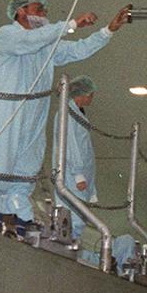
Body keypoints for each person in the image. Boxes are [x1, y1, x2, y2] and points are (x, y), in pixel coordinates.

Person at [0, 0, 129, 234]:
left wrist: (108, 30)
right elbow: (32, 41)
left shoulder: (46, 47)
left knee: (24, 174)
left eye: (46, 10)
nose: (44, 14)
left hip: (32, 118)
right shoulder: (7, 35)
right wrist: (73, 24)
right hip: (2, 114)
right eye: (39, 9)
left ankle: (21, 223)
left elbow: (78, 50)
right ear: (21, 11)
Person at [52, 74, 99, 242]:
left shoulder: (78, 115)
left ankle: (71, 243)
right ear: (84, 94)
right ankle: (65, 243)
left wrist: (92, 190)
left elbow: (86, 152)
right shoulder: (67, 114)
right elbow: (69, 144)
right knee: (71, 217)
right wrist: (78, 174)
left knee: (78, 219)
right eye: (91, 94)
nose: (92, 98)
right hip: (72, 177)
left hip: (81, 181)